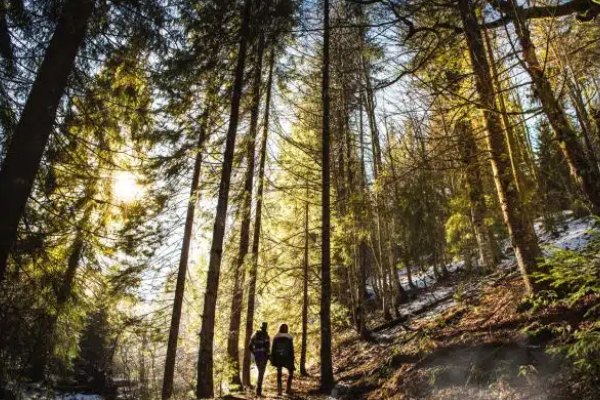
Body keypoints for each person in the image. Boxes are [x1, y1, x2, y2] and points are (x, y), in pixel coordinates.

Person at [270, 323, 295, 395]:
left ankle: (279, 391)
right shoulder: (289, 337)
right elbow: (291, 349)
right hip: (287, 358)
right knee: (291, 372)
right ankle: (288, 389)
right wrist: (292, 358)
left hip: (278, 358)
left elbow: (273, 349)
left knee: (279, 374)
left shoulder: (276, 337)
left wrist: (273, 358)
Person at [249, 322, 270, 397]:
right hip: (263, 357)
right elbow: (267, 348)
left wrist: (255, 353)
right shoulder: (266, 336)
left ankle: (258, 391)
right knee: (261, 373)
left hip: (258, 356)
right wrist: (268, 356)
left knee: (260, 373)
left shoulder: (255, 334)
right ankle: (258, 391)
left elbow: (250, 346)